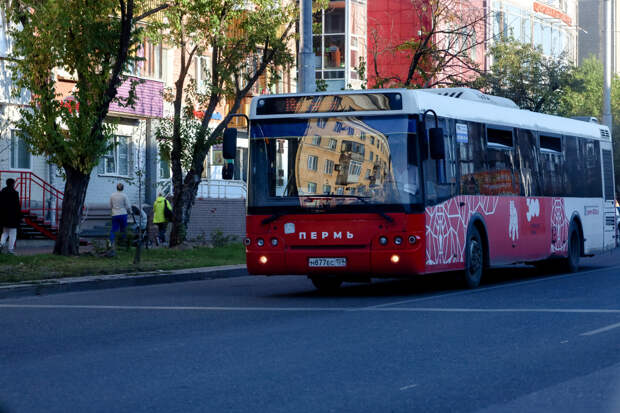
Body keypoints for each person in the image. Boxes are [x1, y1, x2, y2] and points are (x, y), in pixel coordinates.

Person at [0, 178, 22, 254]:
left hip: (4, 216)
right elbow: (17, 206)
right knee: (13, 233)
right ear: (13, 184)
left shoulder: (2, 192)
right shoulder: (15, 193)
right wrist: (20, 216)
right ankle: (10, 249)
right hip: (13, 216)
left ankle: (1, 244)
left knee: (5, 232)